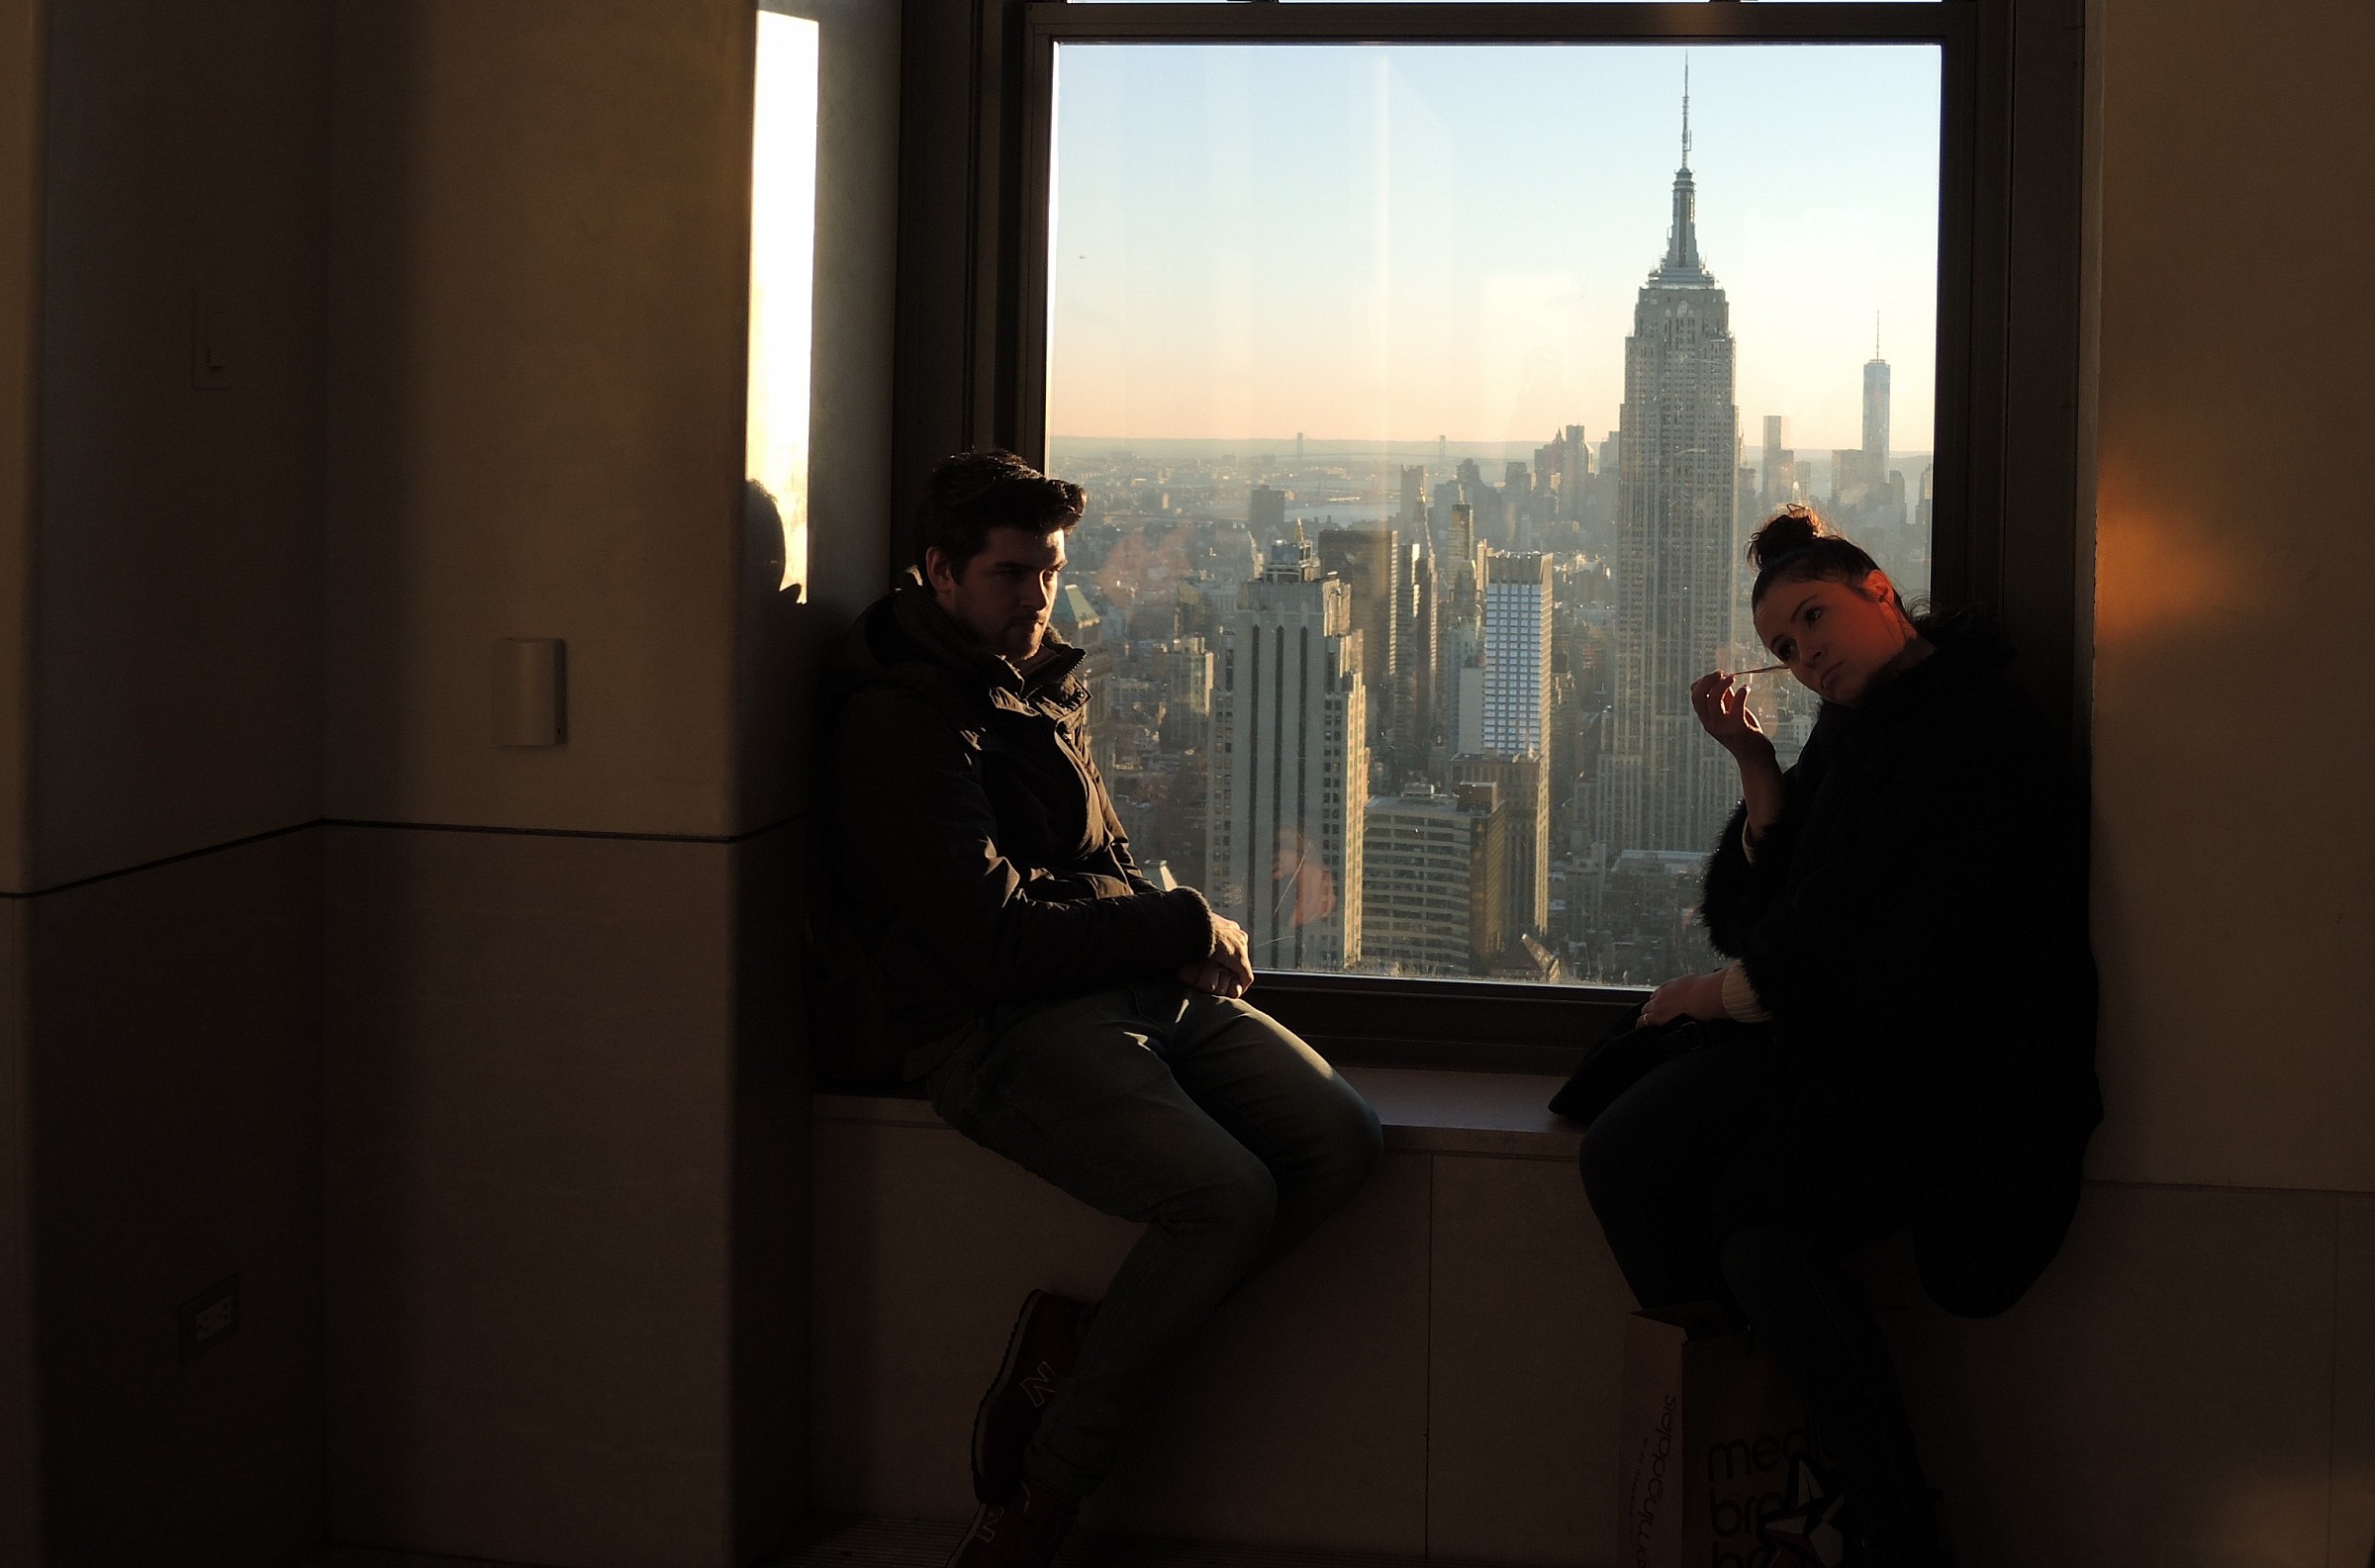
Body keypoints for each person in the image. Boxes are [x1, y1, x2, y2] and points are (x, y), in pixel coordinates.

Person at [817, 449, 1382, 1568]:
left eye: (1052, 571)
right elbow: (991, 936)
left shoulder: (1029, 677)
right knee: (1222, 1200)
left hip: (1119, 983)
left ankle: (1083, 1352)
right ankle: (1044, 1493)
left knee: (1341, 1140)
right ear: (939, 570)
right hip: (996, 1027)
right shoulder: (905, 723)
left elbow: (1092, 862)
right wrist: (1174, 926)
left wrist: (1162, 931)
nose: (1040, 596)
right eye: (1013, 572)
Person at [1575, 506, 2102, 1567]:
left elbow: (1877, 940)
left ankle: (1864, 1509)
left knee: (1751, 1220)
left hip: (1949, 1065)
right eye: (1781, 647)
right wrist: (1757, 768)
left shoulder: (1977, 730)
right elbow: (1777, 919)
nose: (1803, 656)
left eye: (1813, 620)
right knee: (1629, 1153)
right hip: (1845, 1036)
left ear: (1879, 592)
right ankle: (1792, 1457)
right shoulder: (1864, 729)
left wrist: (1713, 998)